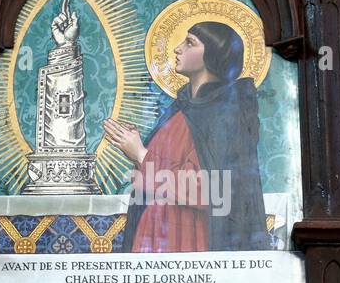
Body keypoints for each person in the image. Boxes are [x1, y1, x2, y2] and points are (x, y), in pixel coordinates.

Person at [103, 20, 269, 253]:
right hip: (156, 232)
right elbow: (163, 171)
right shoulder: (180, 109)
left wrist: (141, 154)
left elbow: (209, 189)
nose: (177, 48)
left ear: (214, 54)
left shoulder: (225, 112)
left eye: (190, 43)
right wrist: (137, 150)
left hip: (189, 237)